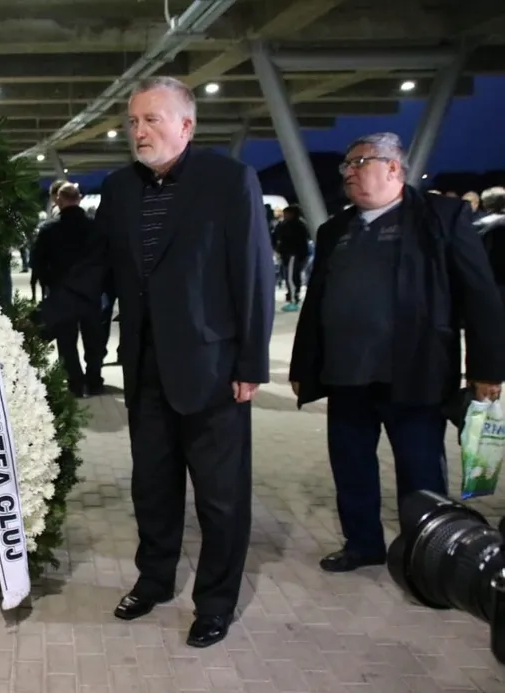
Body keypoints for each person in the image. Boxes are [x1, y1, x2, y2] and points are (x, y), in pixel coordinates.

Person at [95, 77, 275, 647]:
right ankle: (154, 580)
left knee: (220, 497)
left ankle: (215, 602)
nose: (139, 131)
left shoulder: (229, 181)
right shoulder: (120, 188)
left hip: (213, 370)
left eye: (151, 119)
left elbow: (253, 274)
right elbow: (97, 272)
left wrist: (251, 363)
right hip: (144, 368)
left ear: (187, 125)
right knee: (152, 487)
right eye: (133, 122)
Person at [289, 133, 505, 574]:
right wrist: (303, 366)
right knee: (351, 465)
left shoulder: (441, 217)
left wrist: (486, 369)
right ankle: (362, 544)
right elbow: (315, 304)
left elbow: (481, 295)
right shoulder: (335, 230)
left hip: (414, 373)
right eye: (346, 165)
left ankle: (428, 556)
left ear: (393, 167)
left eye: (359, 162)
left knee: (420, 471)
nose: (348, 173)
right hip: (346, 375)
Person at [30, 182, 105, 397]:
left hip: (62, 293)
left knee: (66, 342)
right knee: (94, 341)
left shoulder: (49, 230)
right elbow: (107, 260)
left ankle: (75, 383)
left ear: (58, 200)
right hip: (91, 293)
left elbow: (38, 262)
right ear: (79, 198)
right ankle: (94, 381)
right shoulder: (96, 228)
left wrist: (49, 283)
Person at [274, 205, 310, 311]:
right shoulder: (292, 225)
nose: (284, 215)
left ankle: (294, 300)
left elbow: (289, 241)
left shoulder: (294, 226)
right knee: (292, 277)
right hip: (291, 254)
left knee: (291, 278)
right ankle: (293, 297)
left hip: (292, 254)